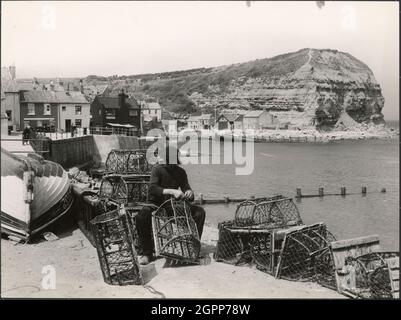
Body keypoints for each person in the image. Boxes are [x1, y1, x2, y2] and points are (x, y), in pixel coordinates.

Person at [136, 145, 206, 265]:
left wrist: (189, 192)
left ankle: (194, 248)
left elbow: (186, 188)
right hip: (155, 205)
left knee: (199, 212)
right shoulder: (157, 169)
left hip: (172, 207)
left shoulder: (180, 172)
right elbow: (152, 189)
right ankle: (147, 253)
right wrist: (171, 191)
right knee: (141, 217)